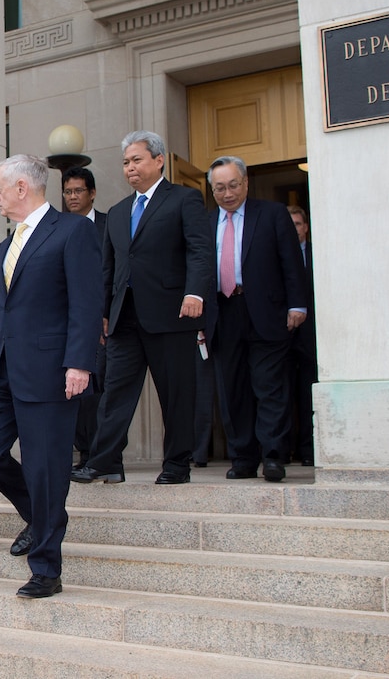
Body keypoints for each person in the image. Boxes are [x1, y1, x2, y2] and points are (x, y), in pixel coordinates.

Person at [0, 154, 101, 599]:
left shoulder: (74, 230)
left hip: (50, 372)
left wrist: (79, 363)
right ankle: (38, 513)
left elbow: (85, 301)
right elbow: (0, 315)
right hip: (3, 371)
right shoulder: (6, 246)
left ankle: (46, 568)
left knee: (46, 470)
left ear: (22, 188)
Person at [71, 130, 213, 485]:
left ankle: (177, 465)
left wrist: (194, 293)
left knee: (176, 395)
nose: (130, 168)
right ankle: (104, 460)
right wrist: (102, 312)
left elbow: (200, 250)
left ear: (159, 160)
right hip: (124, 318)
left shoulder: (185, 199)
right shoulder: (118, 213)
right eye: (125, 162)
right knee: (115, 392)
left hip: (171, 315)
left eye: (136, 160)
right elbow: (109, 268)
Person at [207, 156, 308, 482]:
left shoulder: (273, 214)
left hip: (266, 311)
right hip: (225, 313)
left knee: (269, 388)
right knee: (233, 391)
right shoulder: (206, 224)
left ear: (246, 183)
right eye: (219, 187)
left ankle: (274, 456)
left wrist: (298, 305)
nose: (227, 193)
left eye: (233, 185)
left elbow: (292, 263)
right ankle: (243, 458)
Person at [61, 166, 106, 469]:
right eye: (67, 192)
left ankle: (100, 454)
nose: (72, 197)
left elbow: (112, 274)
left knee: (99, 391)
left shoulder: (108, 224)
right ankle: (83, 451)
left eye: (78, 191)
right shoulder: (58, 227)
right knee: (72, 392)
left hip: (103, 324)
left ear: (92, 193)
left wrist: (104, 316)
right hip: (66, 325)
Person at [286, 205, 317, 466]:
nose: (293, 229)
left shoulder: (318, 254)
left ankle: (308, 449)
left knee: (307, 394)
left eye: (297, 224)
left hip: (310, 336)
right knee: (281, 394)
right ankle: (281, 450)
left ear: (305, 227)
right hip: (282, 333)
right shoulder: (277, 253)